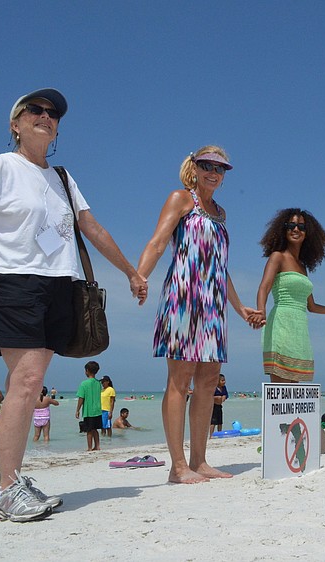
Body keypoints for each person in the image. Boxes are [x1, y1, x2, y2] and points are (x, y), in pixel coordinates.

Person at [0, 88, 146, 522]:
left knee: (31, 381)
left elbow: (91, 227)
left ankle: (13, 479)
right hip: (12, 281)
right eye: (35, 110)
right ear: (16, 124)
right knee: (25, 381)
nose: (46, 116)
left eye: (53, 113)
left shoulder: (62, 178)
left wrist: (130, 272)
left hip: (60, 285)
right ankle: (5, 489)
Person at [137, 145, 262, 484]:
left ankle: (200, 460)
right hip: (183, 297)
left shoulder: (221, 213)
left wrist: (240, 308)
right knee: (180, 380)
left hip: (214, 305)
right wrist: (140, 275)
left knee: (208, 381)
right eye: (207, 165)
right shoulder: (181, 199)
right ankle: (178, 467)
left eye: (220, 168)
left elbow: (221, 268)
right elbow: (158, 242)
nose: (214, 172)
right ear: (194, 167)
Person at [257, 208, 325, 383]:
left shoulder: (303, 267)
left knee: (294, 394)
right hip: (281, 324)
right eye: (291, 225)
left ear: (308, 234)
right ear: (283, 229)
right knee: (281, 394)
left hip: (299, 330)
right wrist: (261, 312)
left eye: (301, 227)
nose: (295, 229)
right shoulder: (278, 257)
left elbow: (311, 306)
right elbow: (263, 288)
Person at [76, 361, 102, 451]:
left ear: (87, 370)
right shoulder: (98, 383)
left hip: (89, 410)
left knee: (89, 430)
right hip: (98, 410)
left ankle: (90, 447)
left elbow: (81, 398)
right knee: (95, 429)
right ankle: (97, 446)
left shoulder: (84, 384)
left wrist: (77, 410)